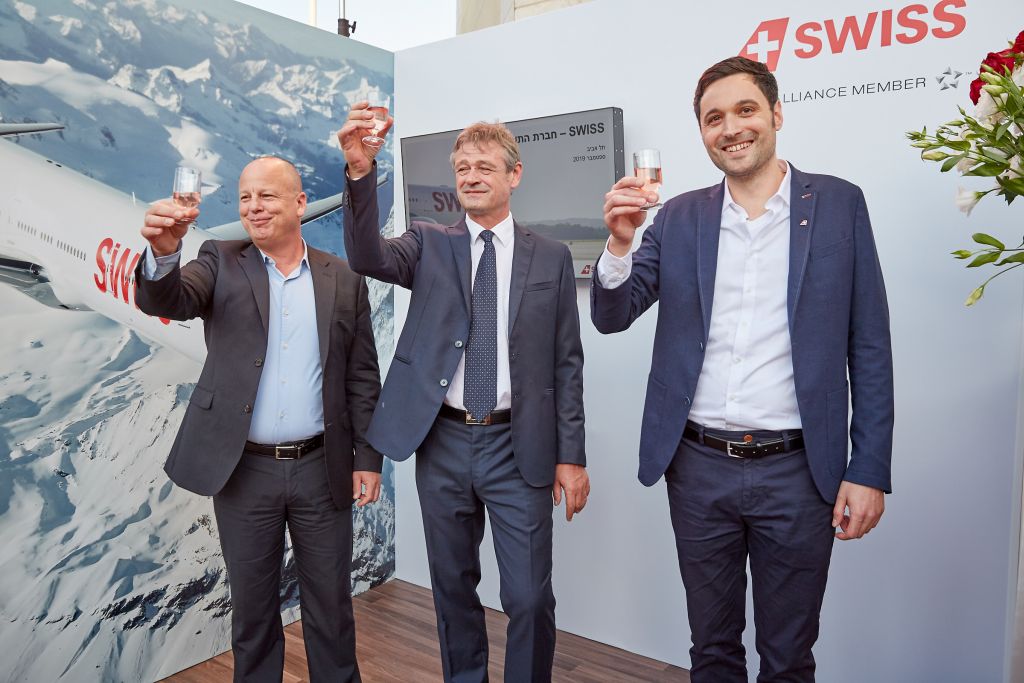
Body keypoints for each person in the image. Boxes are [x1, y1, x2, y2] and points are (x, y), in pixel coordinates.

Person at [592, 56, 894, 682]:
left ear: (776, 114)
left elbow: (869, 343)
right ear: (702, 132)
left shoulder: (838, 204)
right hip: (698, 470)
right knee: (712, 651)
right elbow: (613, 315)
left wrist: (868, 468)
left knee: (788, 658)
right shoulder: (678, 217)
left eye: (745, 110)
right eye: (713, 118)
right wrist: (619, 243)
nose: (730, 128)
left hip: (800, 474)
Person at [337, 109, 590, 682]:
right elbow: (367, 257)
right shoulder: (428, 242)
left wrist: (571, 456)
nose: (471, 176)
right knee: (453, 589)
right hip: (443, 442)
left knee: (529, 597)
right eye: (463, 168)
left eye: (484, 167)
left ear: (514, 175)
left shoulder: (550, 256)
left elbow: (567, 363)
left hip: (518, 444)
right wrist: (360, 172)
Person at [135, 156, 382, 683]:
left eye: (266, 195)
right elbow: (170, 300)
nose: (253, 207)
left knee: (332, 611)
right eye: (245, 197)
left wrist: (368, 458)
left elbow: (362, 377)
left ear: (299, 203)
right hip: (243, 472)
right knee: (252, 616)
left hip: (322, 470)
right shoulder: (218, 260)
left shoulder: (342, 278)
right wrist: (164, 254)